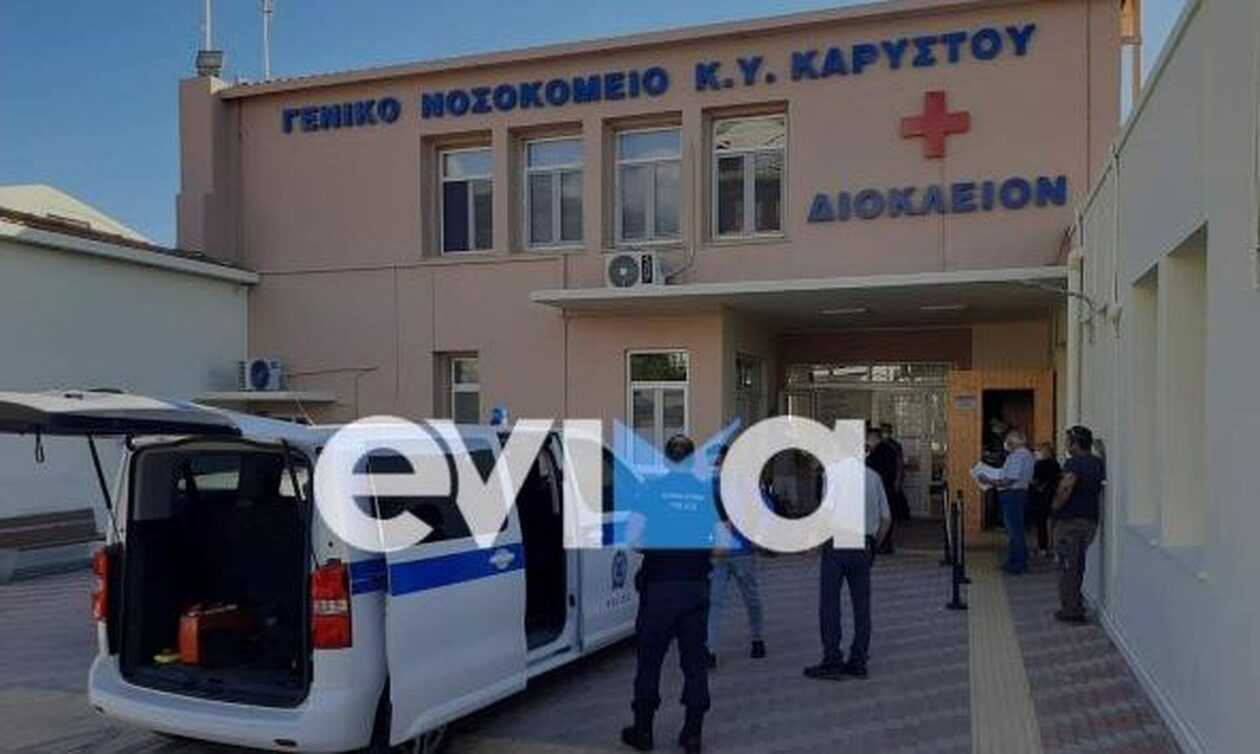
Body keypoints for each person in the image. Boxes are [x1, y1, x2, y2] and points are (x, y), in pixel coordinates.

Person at [622, 434, 712, 754]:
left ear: (665, 460)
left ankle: (644, 731)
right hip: (695, 589)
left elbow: (633, 539)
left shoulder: (651, 491)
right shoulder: (704, 494)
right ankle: (693, 734)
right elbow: (717, 543)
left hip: (660, 588)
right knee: (695, 662)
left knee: (649, 661)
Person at [803, 449, 893, 681]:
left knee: (830, 603)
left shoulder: (831, 475)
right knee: (862, 606)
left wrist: (814, 543)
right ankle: (858, 661)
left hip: (837, 544)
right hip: (863, 545)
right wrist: (873, 545)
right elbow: (886, 519)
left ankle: (832, 659)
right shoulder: (874, 477)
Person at [706, 444, 766, 669]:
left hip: (734, 551)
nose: (716, 465)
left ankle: (755, 639)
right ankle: (712, 649)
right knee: (721, 600)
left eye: (718, 461)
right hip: (726, 552)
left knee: (739, 599)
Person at [1050, 426, 1105, 624]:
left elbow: (1067, 486)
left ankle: (1071, 610)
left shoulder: (1074, 463)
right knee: (1076, 565)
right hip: (1090, 521)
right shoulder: (1097, 462)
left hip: (1071, 522)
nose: (1066, 445)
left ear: (1075, 443)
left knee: (1068, 567)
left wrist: (1055, 506)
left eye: (1068, 442)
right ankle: (1075, 605)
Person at [980, 429, 1035, 575]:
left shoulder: (1018, 455)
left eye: (1009, 440)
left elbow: (1010, 479)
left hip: (1012, 494)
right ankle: (1014, 561)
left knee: (1014, 530)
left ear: (1016, 441)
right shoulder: (1026, 454)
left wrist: (989, 480)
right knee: (1015, 529)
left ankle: (1018, 564)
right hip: (1018, 493)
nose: (1006, 443)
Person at [865, 428, 899, 554]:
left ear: (875, 438)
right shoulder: (889, 449)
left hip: (881, 487)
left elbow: (872, 469)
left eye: (868, 438)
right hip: (887, 486)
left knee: (881, 516)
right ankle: (886, 543)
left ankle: (881, 543)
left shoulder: (878, 452)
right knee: (886, 514)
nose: (866, 441)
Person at [1030, 442, 1061, 557]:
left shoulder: (1040, 464)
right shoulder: (1056, 464)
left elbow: (1034, 480)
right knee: (1052, 523)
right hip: (1053, 496)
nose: (1039, 452)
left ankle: (1042, 547)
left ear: (1046, 452)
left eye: (1040, 450)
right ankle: (1051, 547)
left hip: (1040, 497)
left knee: (1041, 523)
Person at [879, 423, 912, 522]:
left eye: (886, 431)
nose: (885, 433)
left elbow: (899, 462)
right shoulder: (878, 444)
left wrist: (898, 479)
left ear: (890, 432)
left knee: (893, 498)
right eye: (883, 431)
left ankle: (896, 518)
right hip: (881, 475)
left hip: (892, 475)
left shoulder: (894, 445)